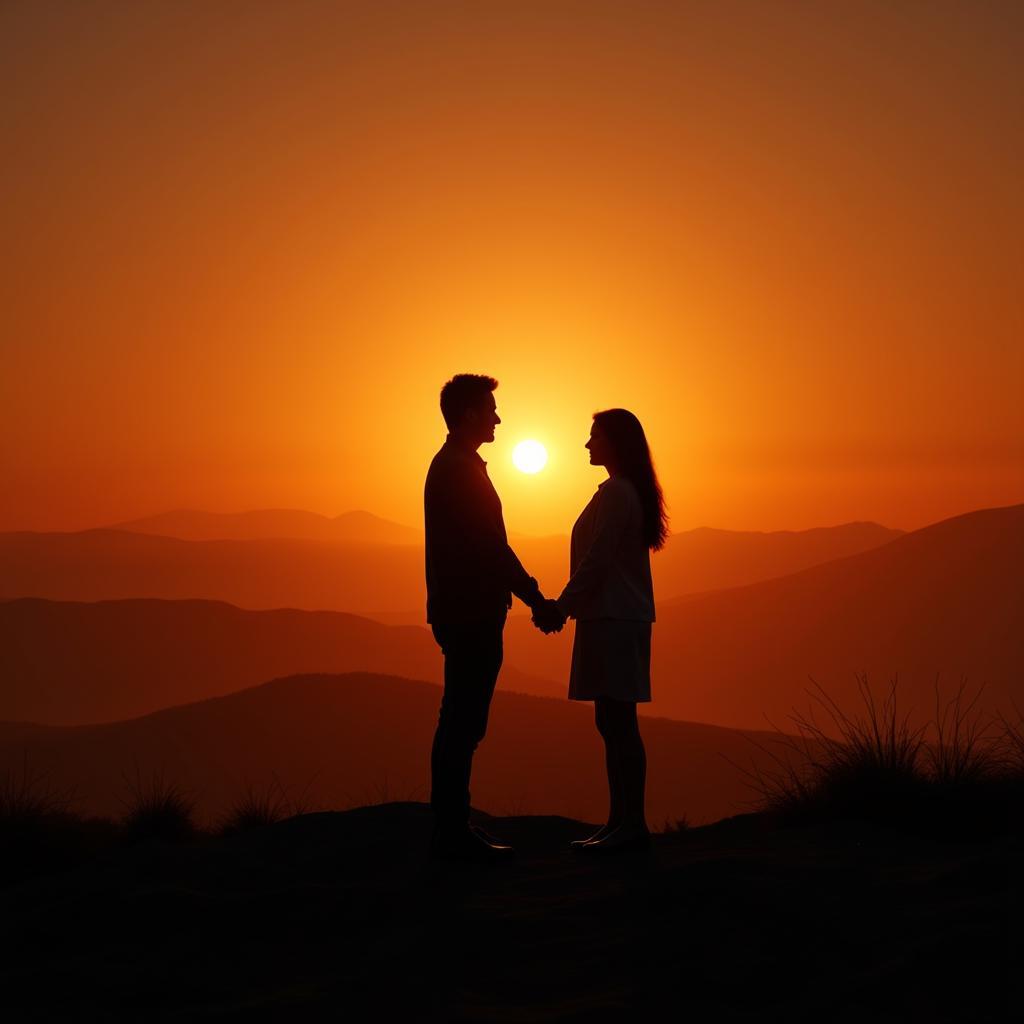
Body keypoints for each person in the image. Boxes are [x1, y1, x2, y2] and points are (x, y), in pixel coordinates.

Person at [425, 373, 564, 862]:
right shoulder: (460, 471)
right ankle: (451, 832)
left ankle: (450, 826)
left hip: (462, 611)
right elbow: (492, 549)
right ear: (468, 416)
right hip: (472, 614)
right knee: (464, 721)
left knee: (459, 719)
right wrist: (537, 599)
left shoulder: (454, 466)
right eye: (489, 410)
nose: (497, 418)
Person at [536, 408, 667, 853]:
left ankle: (630, 824)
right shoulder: (622, 492)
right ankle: (620, 821)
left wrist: (561, 608)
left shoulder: (617, 495)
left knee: (619, 722)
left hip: (614, 618)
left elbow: (598, 559)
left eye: (594, 437)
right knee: (612, 720)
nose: (588, 445)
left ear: (614, 442)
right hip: (611, 617)